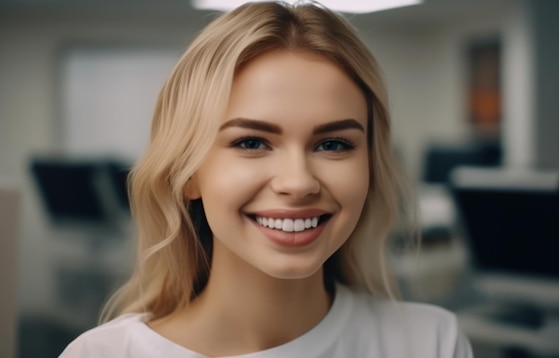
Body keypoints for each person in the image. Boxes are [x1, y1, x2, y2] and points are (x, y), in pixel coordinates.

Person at [60, 2, 473, 357]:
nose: (298, 182)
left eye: (332, 145)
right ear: (188, 174)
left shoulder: (431, 343)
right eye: (253, 142)